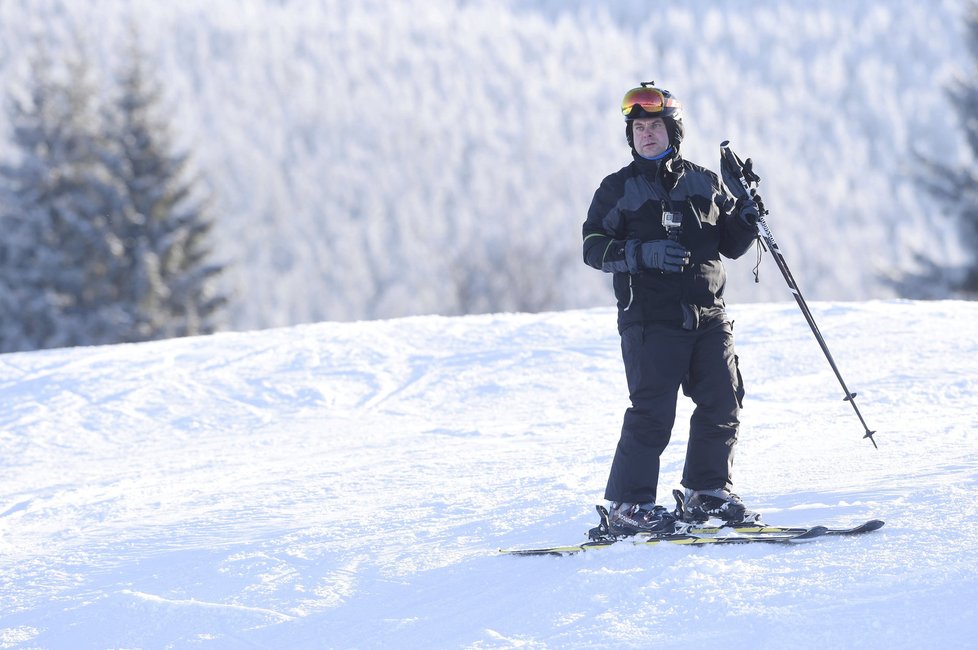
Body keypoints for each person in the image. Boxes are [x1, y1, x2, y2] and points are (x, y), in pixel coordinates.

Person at [582, 82, 763, 535]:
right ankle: (629, 506)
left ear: (673, 130)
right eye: (638, 127)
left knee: (723, 402)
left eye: (655, 125)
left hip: (709, 315)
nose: (646, 134)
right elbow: (591, 246)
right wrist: (641, 253)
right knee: (652, 413)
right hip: (650, 320)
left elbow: (732, 245)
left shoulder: (705, 181)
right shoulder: (617, 190)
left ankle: (707, 495)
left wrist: (745, 217)